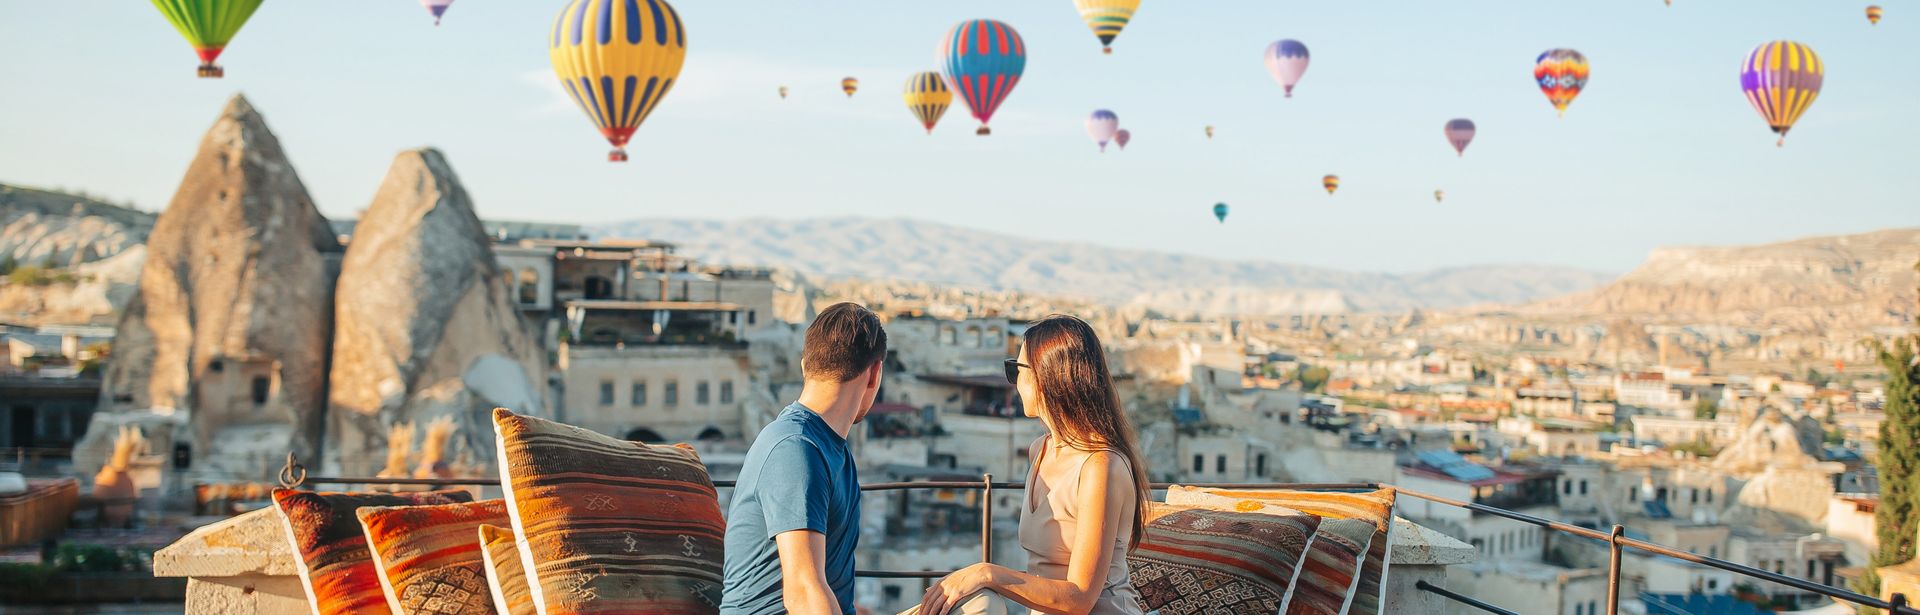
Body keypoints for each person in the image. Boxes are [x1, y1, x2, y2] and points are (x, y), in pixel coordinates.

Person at [914, 315, 1150, 615]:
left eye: (1016, 369)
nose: (1012, 382)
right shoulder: (1041, 450)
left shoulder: (1100, 466)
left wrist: (988, 573)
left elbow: (1079, 599)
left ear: (1048, 376)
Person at [722, 302, 887, 615]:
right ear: (874, 374)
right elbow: (802, 593)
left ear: (805, 366)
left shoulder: (830, 448)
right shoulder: (795, 449)